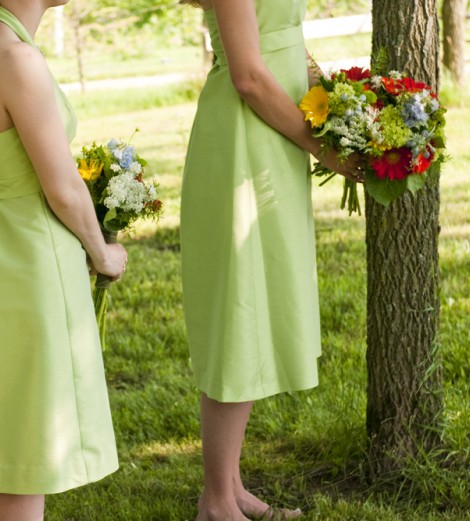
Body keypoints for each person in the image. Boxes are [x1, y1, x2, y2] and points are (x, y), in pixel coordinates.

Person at [0, 1, 128, 519]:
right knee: (24, 446)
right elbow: (60, 186)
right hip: (24, 254)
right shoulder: (17, 57)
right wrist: (102, 252)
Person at [179, 0, 363, 519]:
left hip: (273, 135)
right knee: (239, 305)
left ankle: (231, 486)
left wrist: (345, 112)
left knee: (254, 301)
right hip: (244, 137)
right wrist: (326, 153)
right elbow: (249, 77)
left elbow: (288, 42)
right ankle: (216, 500)